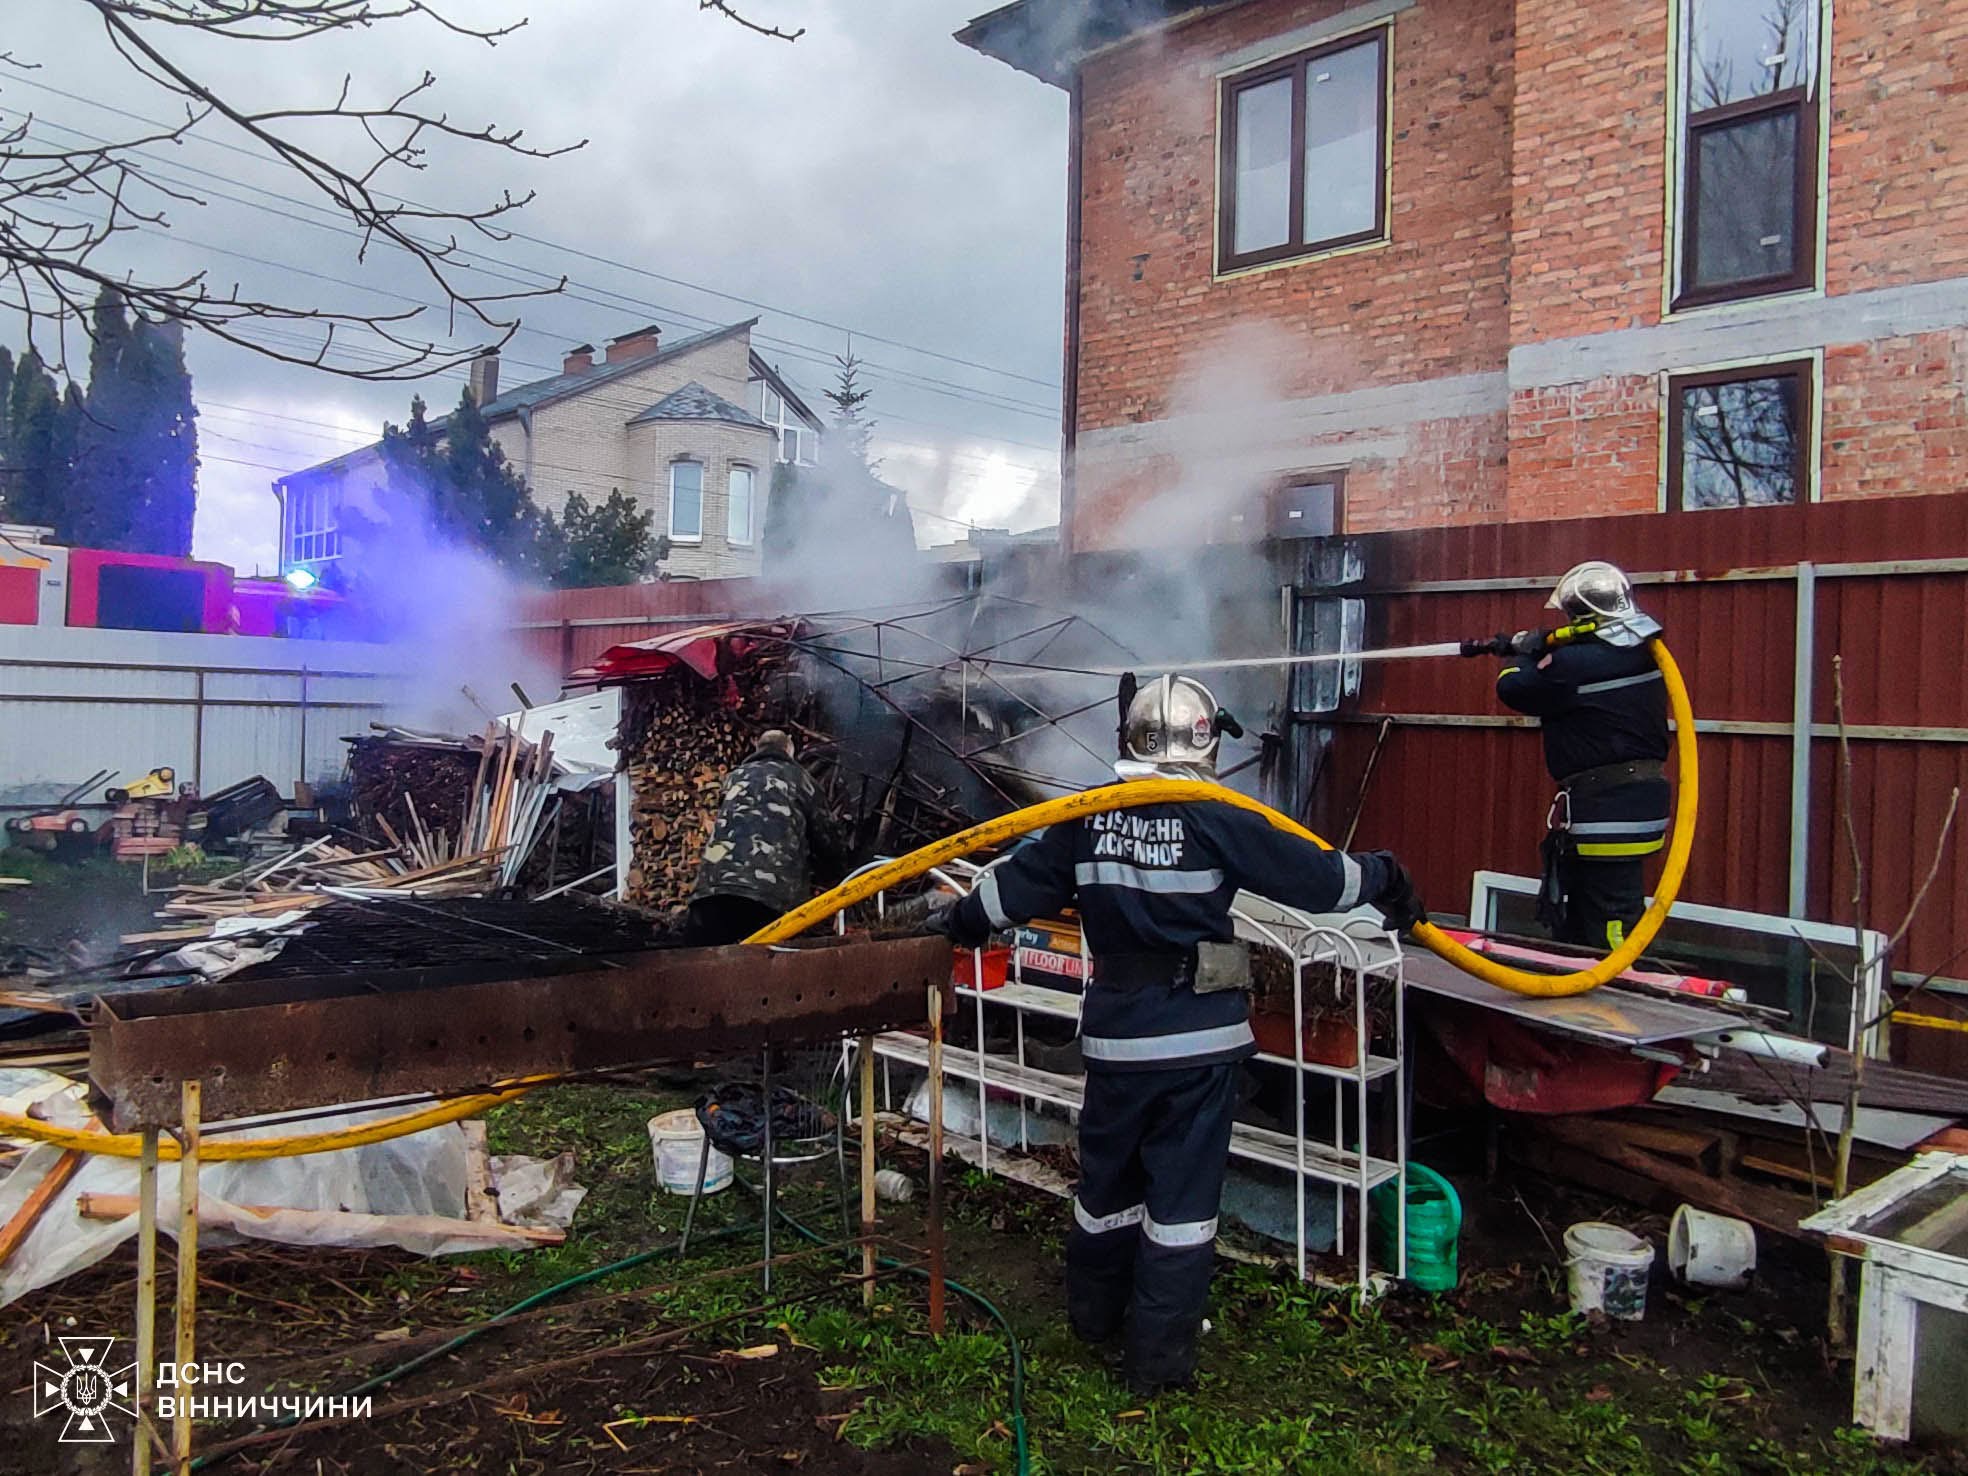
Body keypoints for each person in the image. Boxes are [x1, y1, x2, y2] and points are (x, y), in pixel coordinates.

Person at [927, 673, 1424, 1394]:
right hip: (1198, 1044)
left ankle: (1094, 1318)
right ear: (1205, 740)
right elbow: (1322, 882)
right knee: (1181, 1209)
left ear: (1129, 738)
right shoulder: (1215, 813)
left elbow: (1005, 896)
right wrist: (1388, 876)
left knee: (1107, 1188)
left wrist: (951, 924)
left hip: (1117, 1042)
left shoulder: (1088, 815)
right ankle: (1156, 1366)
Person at [1466, 560, 1670, 950]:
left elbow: (1513, 688)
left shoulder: (1575, 664)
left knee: (1613, 920)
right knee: (1584, 912)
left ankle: (1619, 990)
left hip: (1607, 809)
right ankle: (1582, 982)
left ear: (1582, 616)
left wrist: (1528, 650)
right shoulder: (1644, 652)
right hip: (1631, 802)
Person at [686, 730, 843, 945]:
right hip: (770, 899)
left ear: (757, 748)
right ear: (789, 751)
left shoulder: (734, 778)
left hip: (710, 896)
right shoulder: (800, 779)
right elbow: (829, 845)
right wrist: (835, 873)